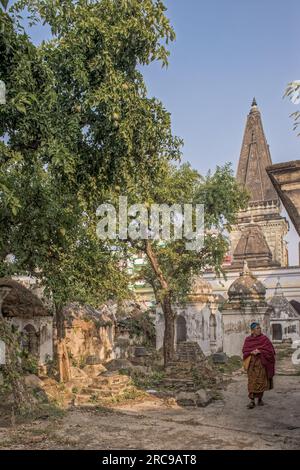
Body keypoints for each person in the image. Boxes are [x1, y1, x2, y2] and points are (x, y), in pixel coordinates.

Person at [242, 322, 275, 409]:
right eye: (257, 328)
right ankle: (252, 401)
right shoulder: (248, 339)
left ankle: (260, 399)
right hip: (252, 364)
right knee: (252, 382)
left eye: (260, 328)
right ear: (252, 331)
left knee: (261, 381)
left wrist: (260, 351)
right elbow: (245, 350)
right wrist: (251, 352)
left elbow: (270, 350)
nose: (259, 329)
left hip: (261, 363)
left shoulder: (264, 339)